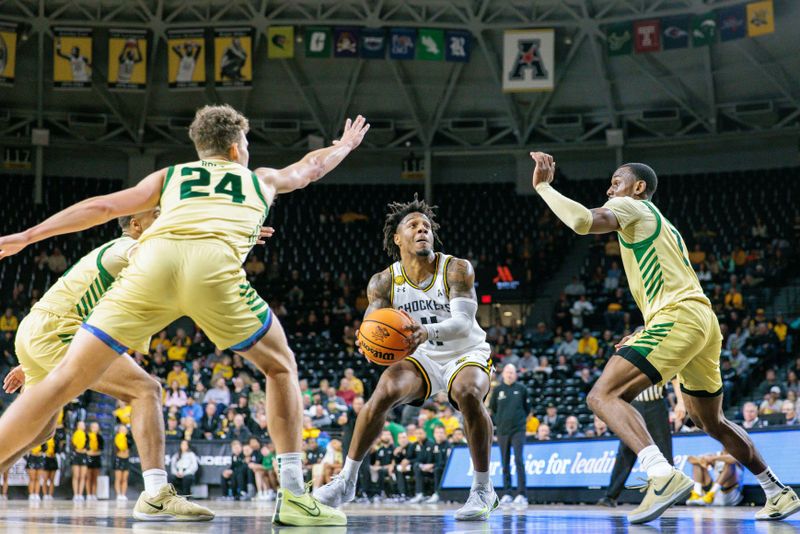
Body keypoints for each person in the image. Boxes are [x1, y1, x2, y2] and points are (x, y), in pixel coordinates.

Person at [0, 106, 368, 526]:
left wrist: (28, 236)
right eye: (245, 146)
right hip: (211, 271)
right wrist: (343, 146)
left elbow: (102, 207)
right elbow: (310, 167)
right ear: (235, 149)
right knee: (280, 367)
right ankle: (295, 496)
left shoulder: (170, 177)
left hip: (152, 265)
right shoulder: (258, 178)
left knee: (64, 380)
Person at [530, 152, 798, 523]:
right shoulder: (664, 224)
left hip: (680, 318)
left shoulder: (631, 207)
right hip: (701, 321)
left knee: (602, 395)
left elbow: (581, 221)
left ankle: (661, 473)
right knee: (710, 421)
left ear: (638, 188)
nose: (610, 188)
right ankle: (776, 491)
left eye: (617, 181)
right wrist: (647, 327)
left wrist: (544, 186)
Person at [0, 210, 212, 519]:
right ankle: (156, 493)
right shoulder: (130, 248)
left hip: (44, 329)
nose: (164, 217)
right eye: (156, 214)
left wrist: (36, 354)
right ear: (136, 226)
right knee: (145, 390)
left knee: (41, 432)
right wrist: (225, 238)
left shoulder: (118, 253)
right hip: (59, 331)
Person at [315, 196, 498, 521]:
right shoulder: (383, 281)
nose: (422, 230)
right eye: (413, 226)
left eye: (426, 226)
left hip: (464, 350)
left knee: (468, 392)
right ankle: (347, 481)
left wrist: (425, 333)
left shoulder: (456, 268)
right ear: (397, 238)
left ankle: (483, 489)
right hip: (421, 354)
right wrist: (366, 340)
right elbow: (373, 325)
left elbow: (463, 325)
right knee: (383, 391)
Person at [598, 383, 685, 508]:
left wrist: (681, 403)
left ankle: (667, 496)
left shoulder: (660, 362)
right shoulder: (626, 363)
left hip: (656, 405)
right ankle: (610, 496)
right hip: (633, 405)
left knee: (664, 450)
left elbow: (675, 379)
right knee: (625, 450)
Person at [488, 363, 529, 506]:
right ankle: (507, 493)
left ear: (515, 374)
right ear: (503, 374)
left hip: (518, 430)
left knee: (519, 460)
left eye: (512, 372)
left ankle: (522, 494)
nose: (510, 374)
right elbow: (492, 409)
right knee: (504, 463)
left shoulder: (522, 389)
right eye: (507, 372)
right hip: (503, 431)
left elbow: (527, 409)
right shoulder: (498, 390)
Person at [85, 421, 103, 500]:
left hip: (97, 458)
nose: (95, 429)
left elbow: (101, 449)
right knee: (88, 477)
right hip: (88, 458)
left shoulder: (100, 437)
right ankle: (88, 494)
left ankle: (94, 494)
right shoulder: (86, 436)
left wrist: (94, 451)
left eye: (96, 427)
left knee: (95, 477)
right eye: (93, 427)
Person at [71, 421, 89, 501]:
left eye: (83, 425)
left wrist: (84, 450)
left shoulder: (87, 436)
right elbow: (73, 446)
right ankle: (75, 494)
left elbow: (88, 448)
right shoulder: (74, 435)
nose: (81, 426)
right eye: (80, 425)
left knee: (82, 476)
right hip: (76, 456)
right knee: (76, 476)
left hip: (84, 456)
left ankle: (80, 494)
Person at [114, 425, 131, 501]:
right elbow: (117, 448)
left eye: (125, 429)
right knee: (118, 478)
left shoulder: (129, 438)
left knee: (124, 478)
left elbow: (131, 447)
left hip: (126, 459)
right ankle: (118, 494)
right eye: (122, 429)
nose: (123, 431)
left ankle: (123, 494)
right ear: (119, 430)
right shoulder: (117, 438)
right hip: (119, 458)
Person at [42, 435, 59, 500]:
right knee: (45, 479)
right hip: (46, 458)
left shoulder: (56, 439)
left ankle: (50, 495)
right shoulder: (44, 439)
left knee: (52, 479)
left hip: (53, 458)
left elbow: (57, 449)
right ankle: (45, 495)